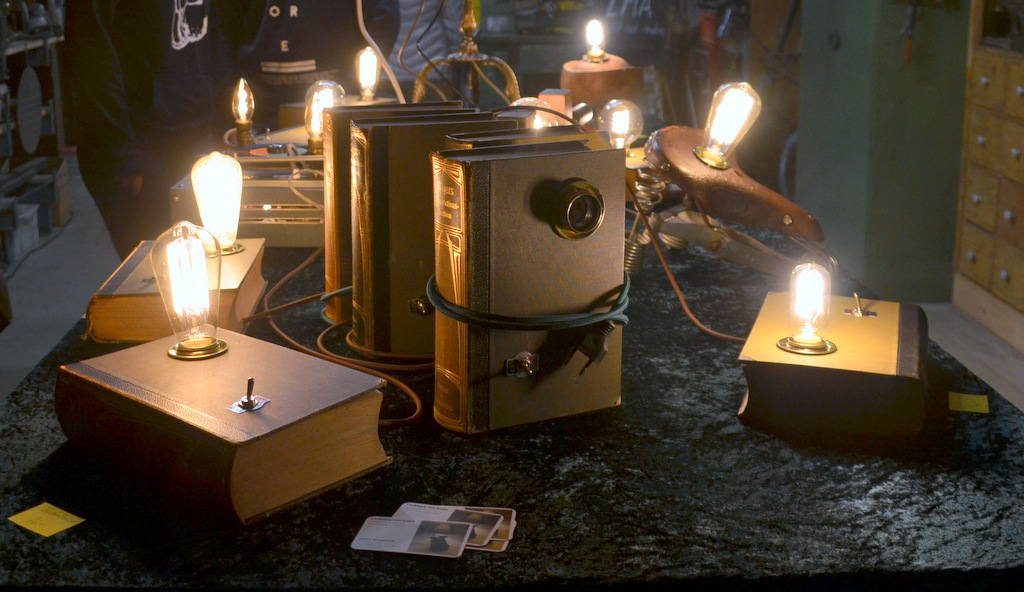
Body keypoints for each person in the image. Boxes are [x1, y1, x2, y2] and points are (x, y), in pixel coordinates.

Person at [64, 0, 399, 259]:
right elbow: (89, 47)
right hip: (141, 145)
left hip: (199, 130)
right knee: (161, 277)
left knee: (215, 264)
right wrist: (121, 152)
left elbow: (218, 30)